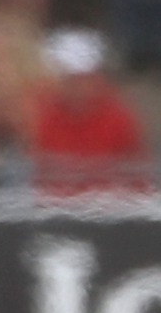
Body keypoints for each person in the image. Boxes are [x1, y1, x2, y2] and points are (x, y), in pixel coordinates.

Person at [25, 26, 149, 190]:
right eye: (70, 79)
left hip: (110, 206)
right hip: (56, 206)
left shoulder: (119, 117)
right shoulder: (43, 114)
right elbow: (36, 171)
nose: (76, 86)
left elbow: (137, 177)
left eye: (82, 79)